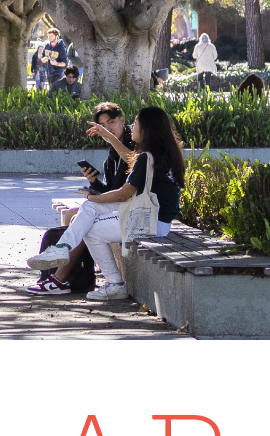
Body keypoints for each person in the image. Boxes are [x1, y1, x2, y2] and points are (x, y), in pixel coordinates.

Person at [28, 105, 184, 301]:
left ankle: (115, 284)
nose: (132, 127)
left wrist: (91, 196)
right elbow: (131, 159)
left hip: (151, 222)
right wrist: (109, 137)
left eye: (136, 123)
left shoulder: (147, 157)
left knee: (92, 229)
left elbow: (122, 194)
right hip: (154, 217)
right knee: (90, 208)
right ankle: (61, 249)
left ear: (146, 129)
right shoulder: (163, 153)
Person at [27, 101, 135, 296]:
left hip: (134, 209)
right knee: (75, 215)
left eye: (111, 123)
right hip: (119, 204)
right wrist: (94, 183)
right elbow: (111, 189)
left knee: (82, 220)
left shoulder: (133, 144)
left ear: (122, 121)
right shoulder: (112, 153)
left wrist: (110, 139)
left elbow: (134, 163)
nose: (108, 129)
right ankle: (65, 268)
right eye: (103, 126)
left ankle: (61, 274)